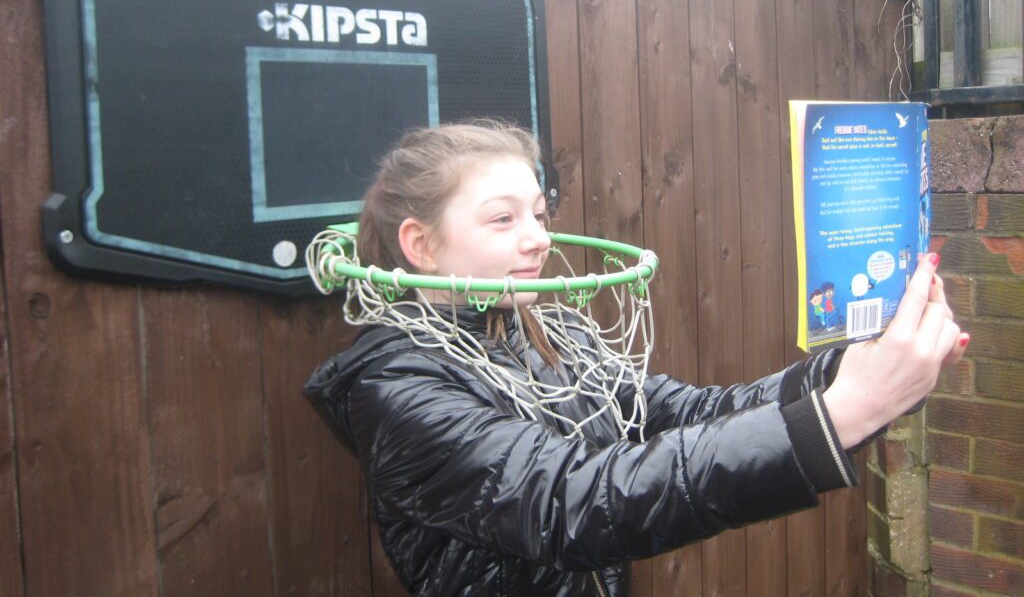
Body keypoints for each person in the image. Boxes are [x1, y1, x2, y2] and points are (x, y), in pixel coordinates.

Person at [305, 121, 966, 597]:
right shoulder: (396, 386)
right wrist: (842, 416)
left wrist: (855, 370)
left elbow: (690, 413)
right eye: (503, 220)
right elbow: (573, 501)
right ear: (421, 244)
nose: (537, 240)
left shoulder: (547, 329)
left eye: (540, 214)